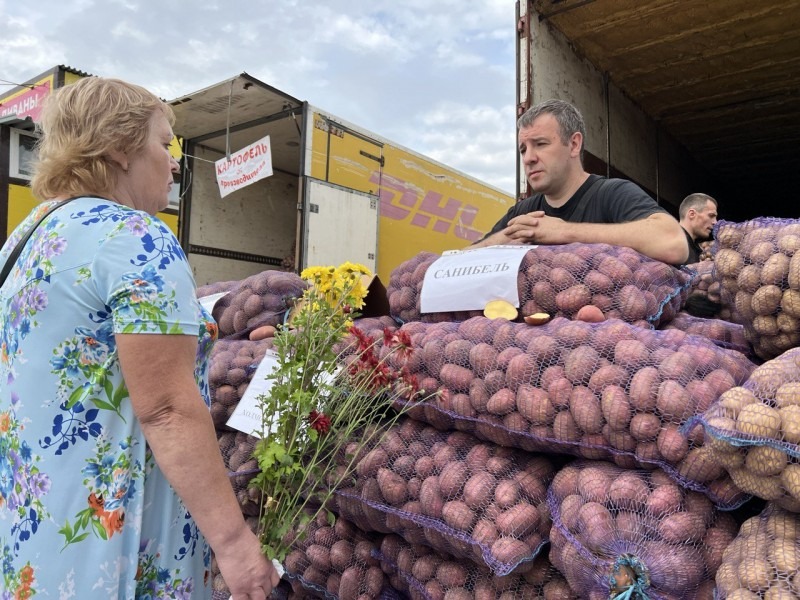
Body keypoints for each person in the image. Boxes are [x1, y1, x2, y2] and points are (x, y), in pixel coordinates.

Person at [0, 78, 280, 599]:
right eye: (165, 142)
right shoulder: (135, 236)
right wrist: (237, 545)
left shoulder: (30, 234)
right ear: (118, 146)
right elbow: (167, 409)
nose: (175, 162)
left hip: (37, 534)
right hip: (117, 543)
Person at [473, 99, 689, 265]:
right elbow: (456, 263)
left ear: (574, 144)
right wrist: (505, 238)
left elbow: (674, 243)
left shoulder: (612, 193)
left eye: (540, 144)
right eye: (523, 149)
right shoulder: (522, 215)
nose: (528, 158)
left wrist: (564, 232)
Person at [678, 192, 718, 264]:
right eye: (711, 215)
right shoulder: (672, 243)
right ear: (692, 214)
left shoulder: (699, 249)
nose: (715, 222)